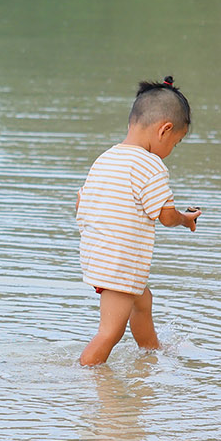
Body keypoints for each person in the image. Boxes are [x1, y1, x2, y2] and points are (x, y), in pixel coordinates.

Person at [75, 77, 202, 366]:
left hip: (100, 255)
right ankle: (84, 377)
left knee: (142, 301)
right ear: (164, 130)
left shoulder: (106, 159)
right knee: (110, 332)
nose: (172, 148)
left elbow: (82, 202)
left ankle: (151, 350)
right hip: (119, 264)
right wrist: (185, 219)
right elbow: (165, 216)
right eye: (176, 142)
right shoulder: (150, 165)